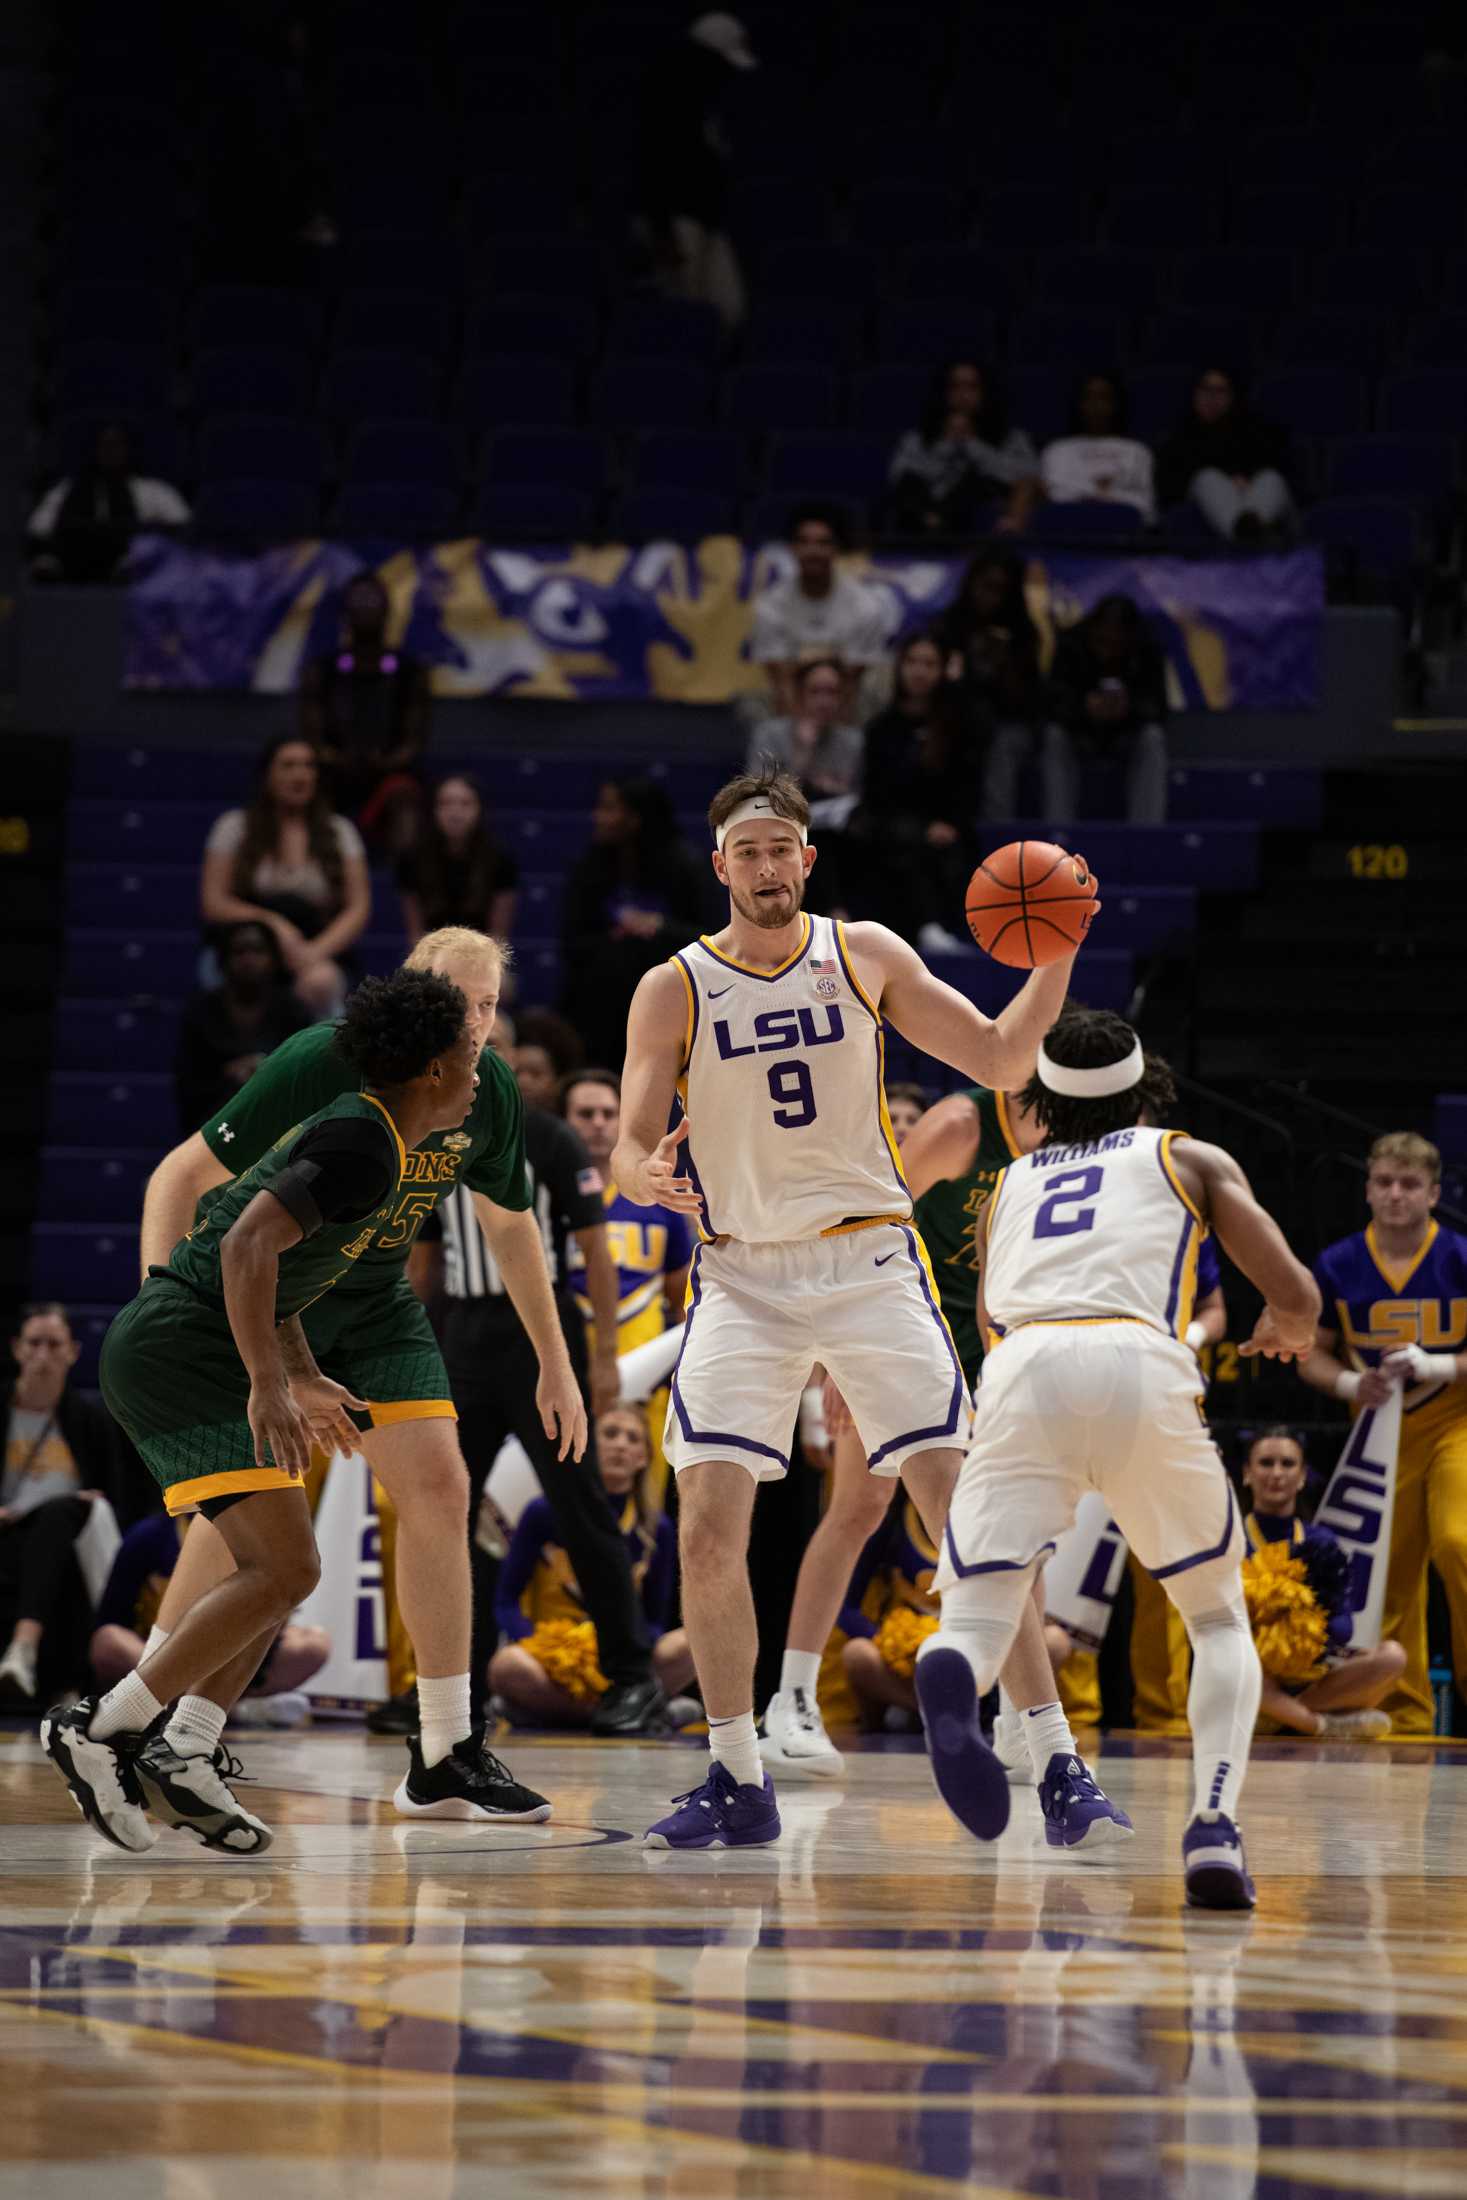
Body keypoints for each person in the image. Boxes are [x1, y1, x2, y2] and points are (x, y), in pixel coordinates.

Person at [613, 764, 1116, 1851]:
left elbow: (994, 1055)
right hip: (744, 1275)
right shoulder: (675, 986)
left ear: (807, 857)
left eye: (778, 846)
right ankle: (736, 1771)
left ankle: (1055, 1752)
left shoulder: (864, 951)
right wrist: (638, 1171)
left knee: (960, 1512)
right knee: (706, 1523)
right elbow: (626, 1140)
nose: (762, 865)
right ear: (720, 866)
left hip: (868, 1262)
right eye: (743, 849)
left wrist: (1059, 947)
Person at [42, 970, 550, 1856]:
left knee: (281, 1568)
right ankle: (104, 1730)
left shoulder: (382, 1139)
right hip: (182, 1351)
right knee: (280, 1570)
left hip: (201, 1345)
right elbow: (243, 1247)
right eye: (468, 1059)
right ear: (430, 1069)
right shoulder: (363, 1143)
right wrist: (267, 1383)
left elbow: (291, 1275)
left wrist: (303, 1371)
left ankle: (173, 1745)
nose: (483, 1076)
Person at [133, 927, 596, 1810]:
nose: (476, 1026)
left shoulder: (485, 1084)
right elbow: (179, 1174)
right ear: (414, 995)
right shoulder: (323, 1059)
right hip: (273, 1303)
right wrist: (168, 1308)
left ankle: (444, 1745)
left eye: (491, 1006)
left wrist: (556, 1360)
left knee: (441, 1487)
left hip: (376, 1300)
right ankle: (151, 1716)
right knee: (242, 1511)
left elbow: (509, 1223)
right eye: (461, 1004)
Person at [912, 1007, 1320, 1910]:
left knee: (981, 1612)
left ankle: (955, 1672)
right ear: (1147, 1088)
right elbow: (1294, 1291)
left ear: (1041, 1099)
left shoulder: (1010, 1180)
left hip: (1020, 1369)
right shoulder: (1188, 1157)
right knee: (1215, 1620)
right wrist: (1282, 1328)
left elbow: (986, 1317)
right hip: (1137, 1360)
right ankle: (1212, 1826)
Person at [763, 1045, 1130, 1811]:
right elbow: (861, 1225)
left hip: (998, 1349)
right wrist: (835, 1354)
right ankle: (790, 1699)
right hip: (899, 1335)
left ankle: (1016, 1722)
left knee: (1009, 1529)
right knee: (858, 1509)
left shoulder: (1075, 1147)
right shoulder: (962, 1122)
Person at [418, 1060, 667, 1735]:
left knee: (579, 1501)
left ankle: (631, 1677)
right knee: (447, 1512)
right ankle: (453, 1690)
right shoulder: (432, 1138)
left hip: (542, 1332)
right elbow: (425, 1261)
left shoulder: (548, 1138)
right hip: (464, 1334)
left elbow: (596, 1248)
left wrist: (606, 1357)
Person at [1296, 1131, 1467, 1736]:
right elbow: (1310, 1353)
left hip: (1456, 1424)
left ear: (1434, 1194)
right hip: (1377, 1436)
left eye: (1410, 1184)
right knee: (1388, 1583)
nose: (1396, 1194)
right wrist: (1348, 1384)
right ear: (1368, 1189)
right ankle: (1410, 1721)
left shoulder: (1460, 1257)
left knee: (1458, 1543)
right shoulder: (1338, 1263)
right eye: (1385, 1182)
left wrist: (1441, 1365)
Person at [489, 1405, 695, 1724]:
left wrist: (627, 1650)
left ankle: (552, 1712)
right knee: (506, 1667)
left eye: (633, 1438)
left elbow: (655, 1618)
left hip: (625, 1657)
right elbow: (505, 1600)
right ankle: (638, 1711)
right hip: (552, 1654)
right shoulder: (544, 1511)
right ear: (589, 1446)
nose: (621, 1444)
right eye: (610, 1434)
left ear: (644, 1457)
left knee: (691, 1643)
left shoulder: (658, 1529)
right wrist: (536, 1644)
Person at [560, 1068, 694, 1503]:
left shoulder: (656, 1195)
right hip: (567, 1366)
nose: (597, 1122)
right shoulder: (549, 1194)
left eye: (607, 1113)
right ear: (564, 1121)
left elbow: (680, 1297)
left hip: (644, 1371)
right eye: (585, 1113)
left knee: (644, 1503)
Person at [0, 1303, 139, 1705]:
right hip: (8, 1534)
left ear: (73, 1352)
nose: (43, 1354)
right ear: (17, 1349)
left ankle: (26, 1651)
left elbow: (116, 1500)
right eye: (34, 1343)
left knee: (62, 1513)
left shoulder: (92, 1422)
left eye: (54, 1344)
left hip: (68, 1539)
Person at [90, 1508, 330, 1727]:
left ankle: (204, 1707)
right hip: (158, 1652)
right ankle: (190, 1706)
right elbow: (112, 1617)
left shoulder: (257, 1535)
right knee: (109, 1640)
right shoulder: (149, 1535)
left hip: (232, 1650)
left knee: (313, 1643)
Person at [1238, 1425, 1404, 1741]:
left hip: (1309, 1674)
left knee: (1393, 1656)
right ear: (1247, 1473)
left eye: (1287, 1464)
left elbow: (1345, 1627)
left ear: (1302, 1476)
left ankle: (1280, 1717)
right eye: (1265, 1463)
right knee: (1236, 1669)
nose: (1276, 1473)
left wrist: (1303, 1623)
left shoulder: (1321, 1542)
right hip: (1253, 1672)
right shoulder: (1231, 1540)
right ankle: (1322, 1726)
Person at [199, 734, 372, 1016]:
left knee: (321, 982)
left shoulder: (340, 831)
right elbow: (213, 902)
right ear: (267, 774)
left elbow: (358, 908)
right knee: (234, 978)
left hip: (314, 943)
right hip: (247, 943)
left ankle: (315, 1060)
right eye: (288, 765)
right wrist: (272, 924)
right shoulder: (234, 827)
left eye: (308, 766)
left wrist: (313, 952)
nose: (300, 775)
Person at [560, 777, 710, 1069]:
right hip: (602, 1005)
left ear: (636, 818)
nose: (598, 817)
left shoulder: (685, 865)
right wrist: (617, 936)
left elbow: (711, 938)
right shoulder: (589, 866)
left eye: (609, 808)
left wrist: (659, 927)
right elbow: (572, 941)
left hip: (669, 1001)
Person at [848, 630, 978, 952]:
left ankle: (937, 928)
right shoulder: (881, 728)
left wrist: (949, 822)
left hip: (945, 826)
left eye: (929, 664)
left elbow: (967, 786)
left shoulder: (959, 725)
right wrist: (921, 826)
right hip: (892, 824)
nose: (919, 671)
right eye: (912, 662)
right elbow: (876, 792)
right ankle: (925, 928)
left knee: (944, 848)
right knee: (902, 841)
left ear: (943, 670)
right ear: (900, 667)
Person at [631, 10, 755, 329]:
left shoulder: (711, 102)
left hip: (710, 220)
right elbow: (652, 168)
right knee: (686, 313)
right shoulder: (665, 102)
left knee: (728, 311)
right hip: (677, 222)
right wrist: (663, 235)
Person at [299, 570, 429, 854]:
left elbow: (414, 741)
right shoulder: (322, 670)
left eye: (373, 599)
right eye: (359, 600)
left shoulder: (409, 671)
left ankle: (399, 885)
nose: (366, 607)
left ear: (387, 610)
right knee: (304, 790)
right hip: (335, 776)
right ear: (345, 611)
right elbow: (312, 738)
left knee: (405, 799)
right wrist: (336, 758)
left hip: (389, 776)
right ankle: (321, 879)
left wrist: (385, 762)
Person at [748, 505, 887, 725]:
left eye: (823, 543)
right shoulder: (770, 606)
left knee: (876, 694)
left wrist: (835, 741)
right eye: (804, 542)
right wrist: (799, 738)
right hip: (791, 703)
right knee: (750, 703)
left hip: (843, 704)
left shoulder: (865, 606)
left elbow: (851, 682)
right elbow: (781, 680)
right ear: (792, 548)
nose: (813, 551)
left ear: (836, 549)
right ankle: (773, 760)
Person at [1042, 593, 1169, 827]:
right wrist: (1085, 707)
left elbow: (1158, 708)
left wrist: (1127, 708)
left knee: (1152, 738)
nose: (1109, 647)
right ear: (1092, 631)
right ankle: (1058, 833)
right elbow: (1051, 703)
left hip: (1127, 735)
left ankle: (1146, 832)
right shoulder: (1071, 646)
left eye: (1117, 641)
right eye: (1103, 639)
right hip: (1079, 733)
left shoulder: (1146, 650)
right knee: (1054, 736)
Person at [936, 551, 1045, 819]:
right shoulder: (949, 626)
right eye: (985, 586)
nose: (990, 597)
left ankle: (996, 833)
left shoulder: (1023, 633)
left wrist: (1003, 665)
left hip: (1007, 724)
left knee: (1003, 743)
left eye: (1000, 590)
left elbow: (1029, 702)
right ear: (971, 584)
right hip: (957, 716)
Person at [173, 920, 310, 1132]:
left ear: (274, 959)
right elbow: (187, 1084)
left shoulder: (295, 1012)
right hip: (213, 1124)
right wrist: (229, 1076)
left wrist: (265, 1069)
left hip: (279, 1126)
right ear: (223, 959)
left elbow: (305, 1079)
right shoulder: (200, 1012)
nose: (249, 959)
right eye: (239, 951)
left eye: (258, 950)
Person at [886, 360, 1040, 538]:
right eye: (955, 387)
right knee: (910, 483)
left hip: (976, 528)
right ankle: (933, 523)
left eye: (971, 387)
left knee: (978, 479)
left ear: (985, 392)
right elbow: (899, 478)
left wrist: (971, 444)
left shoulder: (1013, 438)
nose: (963, 395)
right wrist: (948, 445)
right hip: (919, 520)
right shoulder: (917, 438)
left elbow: (1026, 478)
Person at [28, 420, 190, 585]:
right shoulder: (65, 490)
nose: (110, 451)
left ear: (129, 449)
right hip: (73, 569)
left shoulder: (154, 491)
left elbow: (181, 527)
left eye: (116, 445)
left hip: (132, 573)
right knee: (44, 564)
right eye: (104, 445)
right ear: (94, 450)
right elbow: (38, 529)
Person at [1155, 366, 1295, 546]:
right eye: (1205, 389)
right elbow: (1169, 488)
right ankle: (1250, 538)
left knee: (1271, 479)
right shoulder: (1179, 437)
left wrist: (1246, 481)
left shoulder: (1255, 431)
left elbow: (1279, 469)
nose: (1212, 397)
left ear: (1232, 396)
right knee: (1207, 478)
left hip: (1256, 499)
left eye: (1220, 391)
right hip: (1207, 501)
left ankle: (1249, 533)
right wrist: (1228, 484)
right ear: (1194, 393)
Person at [397, 774, 519, 948]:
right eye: (445, 803)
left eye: (465, 804)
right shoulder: (411, 859)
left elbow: (498, 936)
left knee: (503, 976)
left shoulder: (501, 859)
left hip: (481, 955)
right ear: (433, 810)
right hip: (431, 954)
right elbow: (415, 934)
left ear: (480, 809)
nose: (455, 813)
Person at [1040, 370, 1156, 523]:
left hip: (1123, 534)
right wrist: (1108, 496)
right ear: (1079, 404)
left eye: (1104, 398)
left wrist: (1086, 495)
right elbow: (1057, 497)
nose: (1096, 406)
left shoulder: (1137, 451)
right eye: (1089, 398)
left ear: (1116, 404)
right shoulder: (1057, 450)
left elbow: (1144, 506)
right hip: (1069, 530)